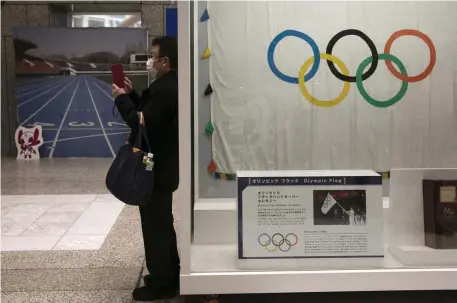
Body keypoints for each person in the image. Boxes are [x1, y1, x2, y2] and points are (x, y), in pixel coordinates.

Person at [111, 36, 180, 302]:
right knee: (161, 222)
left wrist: (120, 99)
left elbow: (140, 123)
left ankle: (162, 282)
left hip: (155, 168)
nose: (150, 61)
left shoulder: (164, 89)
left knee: (154, 224)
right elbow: (150, 115)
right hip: (164, 166)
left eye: (153, 56)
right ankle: (171, 273)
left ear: (166, 61)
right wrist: (132, 94)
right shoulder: (170, 86)